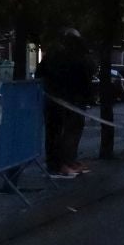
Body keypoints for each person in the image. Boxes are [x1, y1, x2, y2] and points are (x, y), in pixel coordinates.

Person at [35, 29, 92, 177]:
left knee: (60, 133)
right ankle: (62, 164)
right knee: (64, 133)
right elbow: (84, 76)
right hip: (66, 100)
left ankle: (65, 162)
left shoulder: (56, 55)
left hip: (59, 100)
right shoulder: (72, 56)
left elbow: (39, 73)